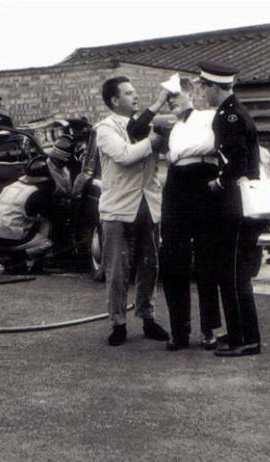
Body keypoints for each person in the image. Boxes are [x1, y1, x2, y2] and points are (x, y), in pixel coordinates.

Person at [95, 76, 171, 346]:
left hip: (148, 205)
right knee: (117, 271)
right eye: (128, 93)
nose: (135, 97)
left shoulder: (146, 125)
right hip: (118, 209)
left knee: (150, 266)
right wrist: (153, 140)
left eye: (135, 92)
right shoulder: (105, 129)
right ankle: (118, 324)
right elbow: (125, 155)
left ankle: (148, 318)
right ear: (114, 100)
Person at [199, 61, 264, 357]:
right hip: (237, 204)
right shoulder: (231, 113)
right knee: (229, 271)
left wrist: (218, 183)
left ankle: (247, 340)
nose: (203, 92)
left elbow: (236, 163)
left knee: (236, 273)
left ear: (215, 87)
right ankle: (237, 332)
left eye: (204, 87)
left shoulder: (231, 118)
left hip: (236, 205)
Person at [160, 77, 224, 351]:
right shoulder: (172, 128)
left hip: (203, 179)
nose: (171, 102)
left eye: (174, 95)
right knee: (174, 258)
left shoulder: (209, 116)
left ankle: (209, 329)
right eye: (167, 98)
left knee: (207, 258)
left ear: (192, 93)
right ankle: (179, 331)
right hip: (176, 184)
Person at [0, 156, 55, 274]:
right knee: (46, 235)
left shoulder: (9, 187)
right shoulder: (34, 193)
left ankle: (6, 258)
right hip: (10, 239)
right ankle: (20, 257)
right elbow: (46, 216)